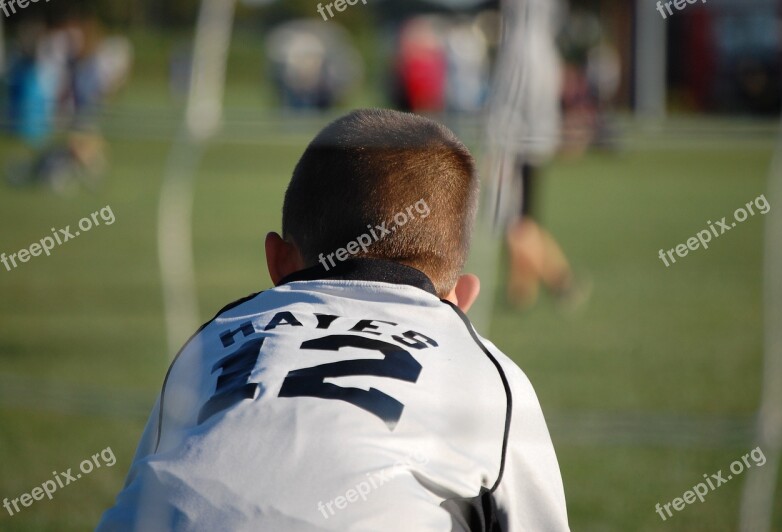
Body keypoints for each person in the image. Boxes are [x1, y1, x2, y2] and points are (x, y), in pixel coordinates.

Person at [97, 109, 569, 531]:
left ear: (278, 261)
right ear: (458, 300)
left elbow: (150, 485)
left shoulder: (212, 337)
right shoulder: (486, 370)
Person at [485, 0, 582, 308]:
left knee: (512, 218)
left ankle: (561, 281)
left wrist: (496, 143)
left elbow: (509, 103)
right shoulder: (541, 48)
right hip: (530, 137)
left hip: (517, 142)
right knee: (520, 214)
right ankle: (521, 289)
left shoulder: (522, 51)